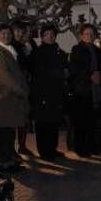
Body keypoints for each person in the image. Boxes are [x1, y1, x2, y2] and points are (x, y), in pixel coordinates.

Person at [29, 24, 68, 160]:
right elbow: (38, 73)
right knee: (43, 123)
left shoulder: (60, 52)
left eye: (52, 35)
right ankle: (44, 151)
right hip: (42, 93)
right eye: (47, 35)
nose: (50, 37)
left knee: (54, 122)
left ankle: (52, 148)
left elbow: (65, 69)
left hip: (56, 93)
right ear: (42, 37)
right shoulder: (37, 53)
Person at [68, 24, 101, 157]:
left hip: (95, 90)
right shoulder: (77, 49)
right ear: (81, 35)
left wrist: (99, 74)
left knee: (93, 120)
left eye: (91, 34)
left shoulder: (97, 50)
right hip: (82, 89)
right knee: (81, 121)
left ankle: (92, 146)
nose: (89, 36)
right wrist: (91, 75)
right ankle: (80, 148)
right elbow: (75, 69)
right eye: (86, 34)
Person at [0, 23, 29, 173]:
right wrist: (19, 89)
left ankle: (9, 160)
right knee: (4, 132)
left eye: (8, 33)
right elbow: (4, 75)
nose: (6, 35)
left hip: (10, 98)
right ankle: (4, 162)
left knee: (9, 132)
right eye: (3, 33)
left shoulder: (9, 50)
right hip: (4, 98)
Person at [10, 19, 34, 157]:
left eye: (22, 31)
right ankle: (12, 149)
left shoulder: (27, 45)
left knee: (24, 118)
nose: (19, 34)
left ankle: (22, 146)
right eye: (17, 31)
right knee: (13, 120)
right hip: (13, 87)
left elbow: (31, 65)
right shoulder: (10, 46)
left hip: (25, 85)